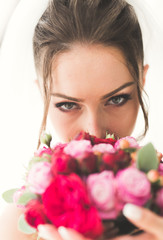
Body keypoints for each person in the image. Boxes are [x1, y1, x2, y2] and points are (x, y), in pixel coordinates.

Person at [0, 0, 163, 239]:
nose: (94, 130)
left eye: (116, 99)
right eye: (68, 105)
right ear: (43, 96)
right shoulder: (18, 227)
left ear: (142, 81)